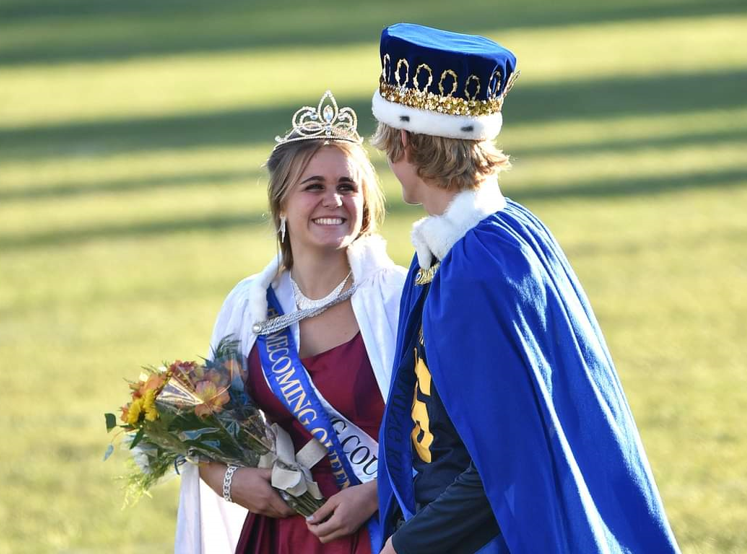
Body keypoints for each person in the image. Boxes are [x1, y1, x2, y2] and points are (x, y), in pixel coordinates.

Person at [371, 23, 681, 554]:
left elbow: (506, 464)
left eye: (387, 142)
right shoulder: (507, 232)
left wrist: (408, 546)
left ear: (406, 140)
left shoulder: (475, 269)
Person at [174, 90, 406, 554]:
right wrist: (232, 482)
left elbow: (450, 436)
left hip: (384, 532)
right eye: (313, 186)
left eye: (347, 186)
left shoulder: (399, 299)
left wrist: (378, 493)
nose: (333, 200)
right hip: (281, 534)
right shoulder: (250, 303)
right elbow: (204, 433)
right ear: (281, 206)